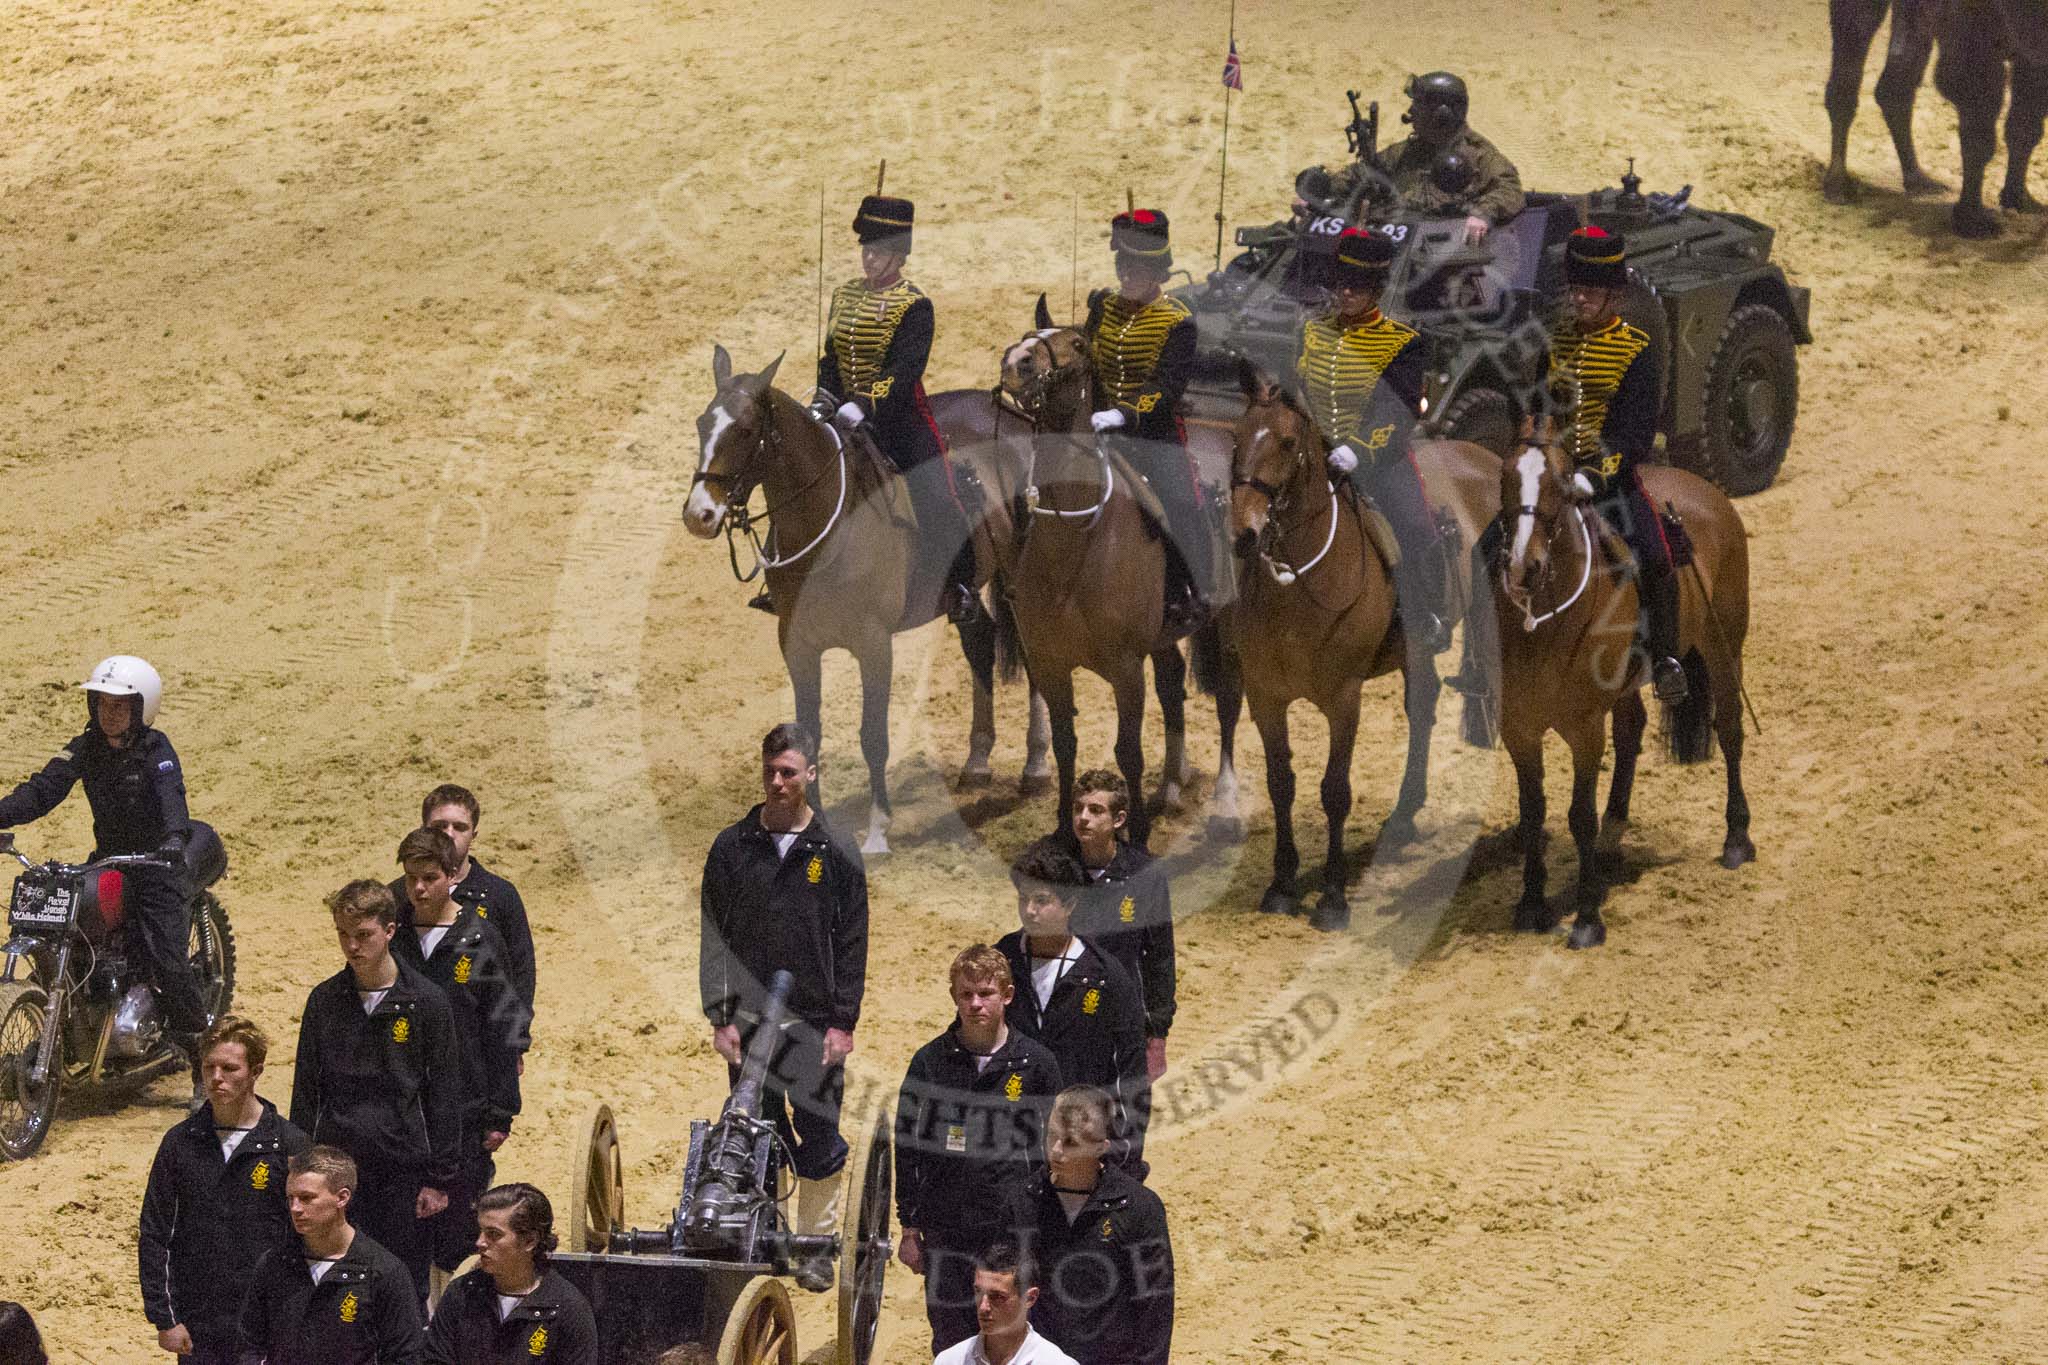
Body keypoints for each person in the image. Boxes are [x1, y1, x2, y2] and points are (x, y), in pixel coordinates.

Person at [698, 722, 868, 1291]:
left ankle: (815, 1246)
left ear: (810, 775)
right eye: (770, 772)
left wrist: (844, 1022)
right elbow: (712, 938)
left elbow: (852, 941)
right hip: (748, 1021)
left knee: (818, 1131)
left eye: (788, 772)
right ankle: (765, 1239)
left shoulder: (837, 850)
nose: (777, 782)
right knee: (756, 1129)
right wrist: (718, 1017)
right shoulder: (732, 846)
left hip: (816, 1020)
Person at [0, 655, 211, 1083]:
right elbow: (43, 790)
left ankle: (200, 1052)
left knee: (169, 959)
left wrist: (173, 840)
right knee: (75, 926)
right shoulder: (85, 748)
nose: (108, 713)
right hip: (111, 859)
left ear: (140, 709)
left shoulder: (157, 749)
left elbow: (173, 797)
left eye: (119, 705)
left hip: (156, 865)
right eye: (102, 703)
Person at [801, 189, 977, 624]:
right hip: (840, 416)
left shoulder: (915, 306)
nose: (869, 259)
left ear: (899, 256)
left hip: (899, 422)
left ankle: (959, 585)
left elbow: (906, 371)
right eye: (866, 249)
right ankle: (786, 577)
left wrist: (864, 404)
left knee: (939, 492)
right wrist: (825, 399)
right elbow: (831, 358)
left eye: (879, 251)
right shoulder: (844, 297)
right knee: (796, 473)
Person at [291, 880, 464, 1300]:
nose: (352, 946)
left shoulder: (428, 1002)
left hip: (401, 1172)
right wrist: (299, 1169)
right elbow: (306, 1091)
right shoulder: (324, 1001)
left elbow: (443, 1094)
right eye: (343, 935)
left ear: (389, 930)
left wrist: (439, 1180)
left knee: (402, 1285)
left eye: (363, 935)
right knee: (337, 1281)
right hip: (338, 1171)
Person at [896, 946, 1063, 1355]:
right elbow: (908, 1146)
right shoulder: (930, 1063)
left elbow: (1055, 1145)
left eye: (985, 993)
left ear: (1006, 995)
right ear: (954, 996)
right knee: (950, 1335)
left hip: (1011, 1226)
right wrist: (909, 1227)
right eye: (965, 994)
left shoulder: (1036, 1064)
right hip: (946, 1226)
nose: (975, 1004)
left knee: (1010, 1333)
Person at [1547, 225, 1686, 703]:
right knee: (1493, 543)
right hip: (1553, 474)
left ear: (1615, 296)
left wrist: (1592, 474)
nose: (1580, 299)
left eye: (1591, 291)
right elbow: (1537, 406)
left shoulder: (1636, 350)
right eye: (1576, 289)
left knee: (1656, 555)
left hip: (1611, 485)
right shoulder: (1556, 343)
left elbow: (1635, 433)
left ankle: (1665, 658)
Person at [389, 828, 528, 1303]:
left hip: (467, 1108)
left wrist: (501, 1110)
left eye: (430, 878)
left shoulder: (477, 938)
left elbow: (504, 1027)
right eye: (411, 879)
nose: (419, 889)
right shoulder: (396, 938)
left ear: (452, 876)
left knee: (453, 1233)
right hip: (408, 1109)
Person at [1297, 226, 1451, 652]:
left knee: (1416, 527)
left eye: (1358, 286)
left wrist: (1357, 450)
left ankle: (1427, 616)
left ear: (1376, 290)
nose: (1345, 292)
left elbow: (1398, 410)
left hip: (1379, 462)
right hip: (1317, 457)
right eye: (1341, 282)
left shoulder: (1401, 343)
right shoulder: (1312, 332)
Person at [139, 1015, 313, 1364]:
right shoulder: (179, 1143)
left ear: (256, 1071)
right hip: (199, 1323)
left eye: (230, 1068)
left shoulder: (289, 1144)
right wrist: (165, 1318)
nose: (217, 1078)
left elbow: (311, 1236)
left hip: (266, 1322)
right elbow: (156, 1233)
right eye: (209, 1067)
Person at [1084, 208, 1215, 635]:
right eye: (1122, 265)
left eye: (1137, 267)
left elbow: (1166, 387)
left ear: (1157, 269)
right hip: (1096, 430)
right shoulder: (1103, 308)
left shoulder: (1177, 321)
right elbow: (1087, 360)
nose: (1127, 275)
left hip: (1153, 436)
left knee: (1181, 504)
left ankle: (1187, 592)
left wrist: (1123, 413)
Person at [996, 842, 1148, 1176]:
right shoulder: (1001, 960)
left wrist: (1127, 1161)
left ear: (1070, 905)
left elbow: (1131, 1076)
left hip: (1078, 1145)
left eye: (1042, 900)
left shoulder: (1107, 977)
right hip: (1011, 1144)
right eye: (1024, 899)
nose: (1030, 911)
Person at [1003, 1088, 1173, 1365]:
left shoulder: (1139, 1208)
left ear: (1100, 1147)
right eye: (1052, 1137)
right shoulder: (1023, 1201)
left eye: (1070, 1142)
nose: (1056, 1151)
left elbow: (1155, 1306)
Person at [237, 1147, 424, 1365]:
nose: (295, 1208)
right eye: (291, 1198)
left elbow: (405, 1356)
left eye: (307, 1198)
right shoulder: (273, 1264)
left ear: (342, 1198)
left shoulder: (384, 1271)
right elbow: (249, 1344)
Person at [1059, 770, 1175, 1080]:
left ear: (1118, 819)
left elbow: (1160, 957)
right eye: (1078, 808)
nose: (1083, 818)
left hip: (1123, 1020)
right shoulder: (1057, 869)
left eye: (1095, 810)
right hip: (1065, 1018)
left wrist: (1158, 1034)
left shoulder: (1145, 877)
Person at [388, 784, 536, 1026]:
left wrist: (516, 1045)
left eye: (460, 827)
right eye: (439, 826)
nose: (449, 833)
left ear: (473, 835)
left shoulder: (500, 895)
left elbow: (521, 973)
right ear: (423, 829)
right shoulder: (396, 896)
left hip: (473, 1039)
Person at [423, 1184, 597, 1365]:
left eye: (493, 1234)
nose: (480, 1242)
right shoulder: (461, 1294)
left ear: (530, 1241)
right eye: (481, 1231)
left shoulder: (568, 1311)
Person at [1350, 71, 1525, 242]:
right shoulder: (1408, 150)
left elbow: (1509, 190)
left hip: (1439, 248)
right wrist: (1327, 184)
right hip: (1393, 241)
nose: (1410, 110)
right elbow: (1362, 173)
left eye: (1418, 104)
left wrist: (1482, 214)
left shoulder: (1478, 155)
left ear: (1442, 115)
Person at [930, 1242, 1077, 1365]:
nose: (983, 1307)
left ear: (1030, 1298)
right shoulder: (949, 1360)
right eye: (978, 1292)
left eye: (997, 1297)